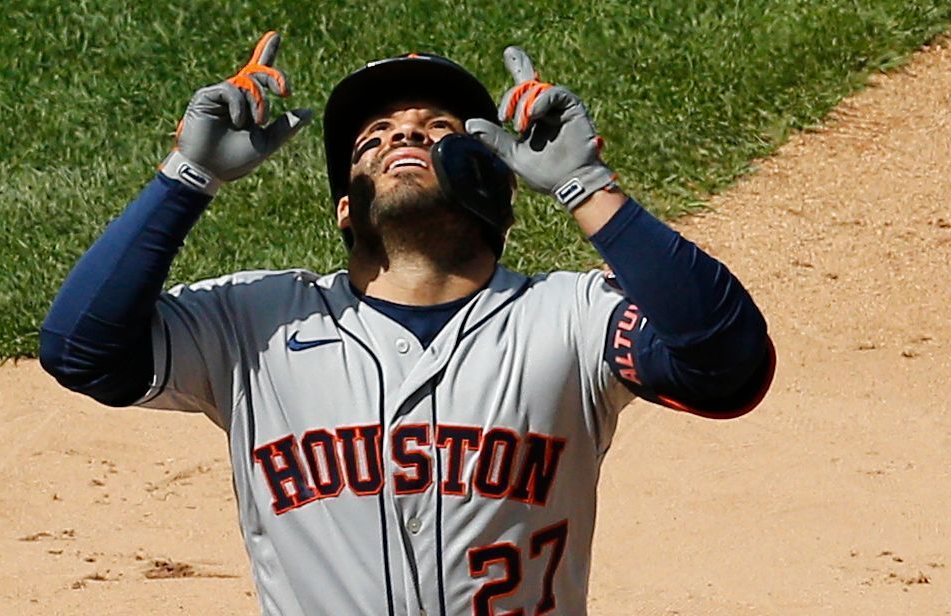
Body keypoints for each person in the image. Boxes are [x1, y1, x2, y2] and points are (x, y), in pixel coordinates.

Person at [40, 31, 774, 616]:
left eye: (437, 131)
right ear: (344, 208)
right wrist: (187, 177)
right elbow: (82, 350)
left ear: (492, 188)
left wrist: (588, 189)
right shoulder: (252, 324)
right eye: (375, 136)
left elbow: (728, 360)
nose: (403, 137)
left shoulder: (571, 319)